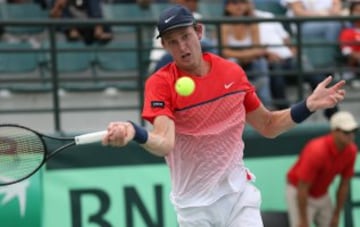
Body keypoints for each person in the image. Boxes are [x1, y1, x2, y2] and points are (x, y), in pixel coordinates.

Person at [102, 5, 346, 227]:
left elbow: (269, 125)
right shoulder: (160, 83)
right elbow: (164, 143)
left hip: (238, 197)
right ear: (164, 46)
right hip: (194, 206)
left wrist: (309, 105)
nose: (183, 47)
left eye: (185, 36)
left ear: (199, 31)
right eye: (172, 42)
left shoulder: (231, 71)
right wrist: (136, 132)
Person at [285, 111, 358, 227]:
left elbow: (344, 184)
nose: (351, 135)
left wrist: (337, 214)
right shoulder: (317, 151)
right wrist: (303, 221)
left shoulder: (351, 151)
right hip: (298, 190)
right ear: (335, 131)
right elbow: (302, 187)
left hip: (321, 194)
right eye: (346, 132)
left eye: (353, 131)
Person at [221, 0, 272, 107]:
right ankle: (233, 104)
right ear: (227, 7)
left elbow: (257, 50)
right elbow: (225, 52)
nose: (239, 6)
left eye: (243, 2)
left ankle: (266, 104)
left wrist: (241, 55)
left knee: (261, 63)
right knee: (231, 65)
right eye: (235, 3)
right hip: (233, 62)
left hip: (250, 61)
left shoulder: (253, 23)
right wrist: (247, 55)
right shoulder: (224, 25)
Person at [339, 0, 360, 89]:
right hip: (354, 63)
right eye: (357, 11)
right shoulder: (347, 32)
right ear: (352, 13)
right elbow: (346, 51)